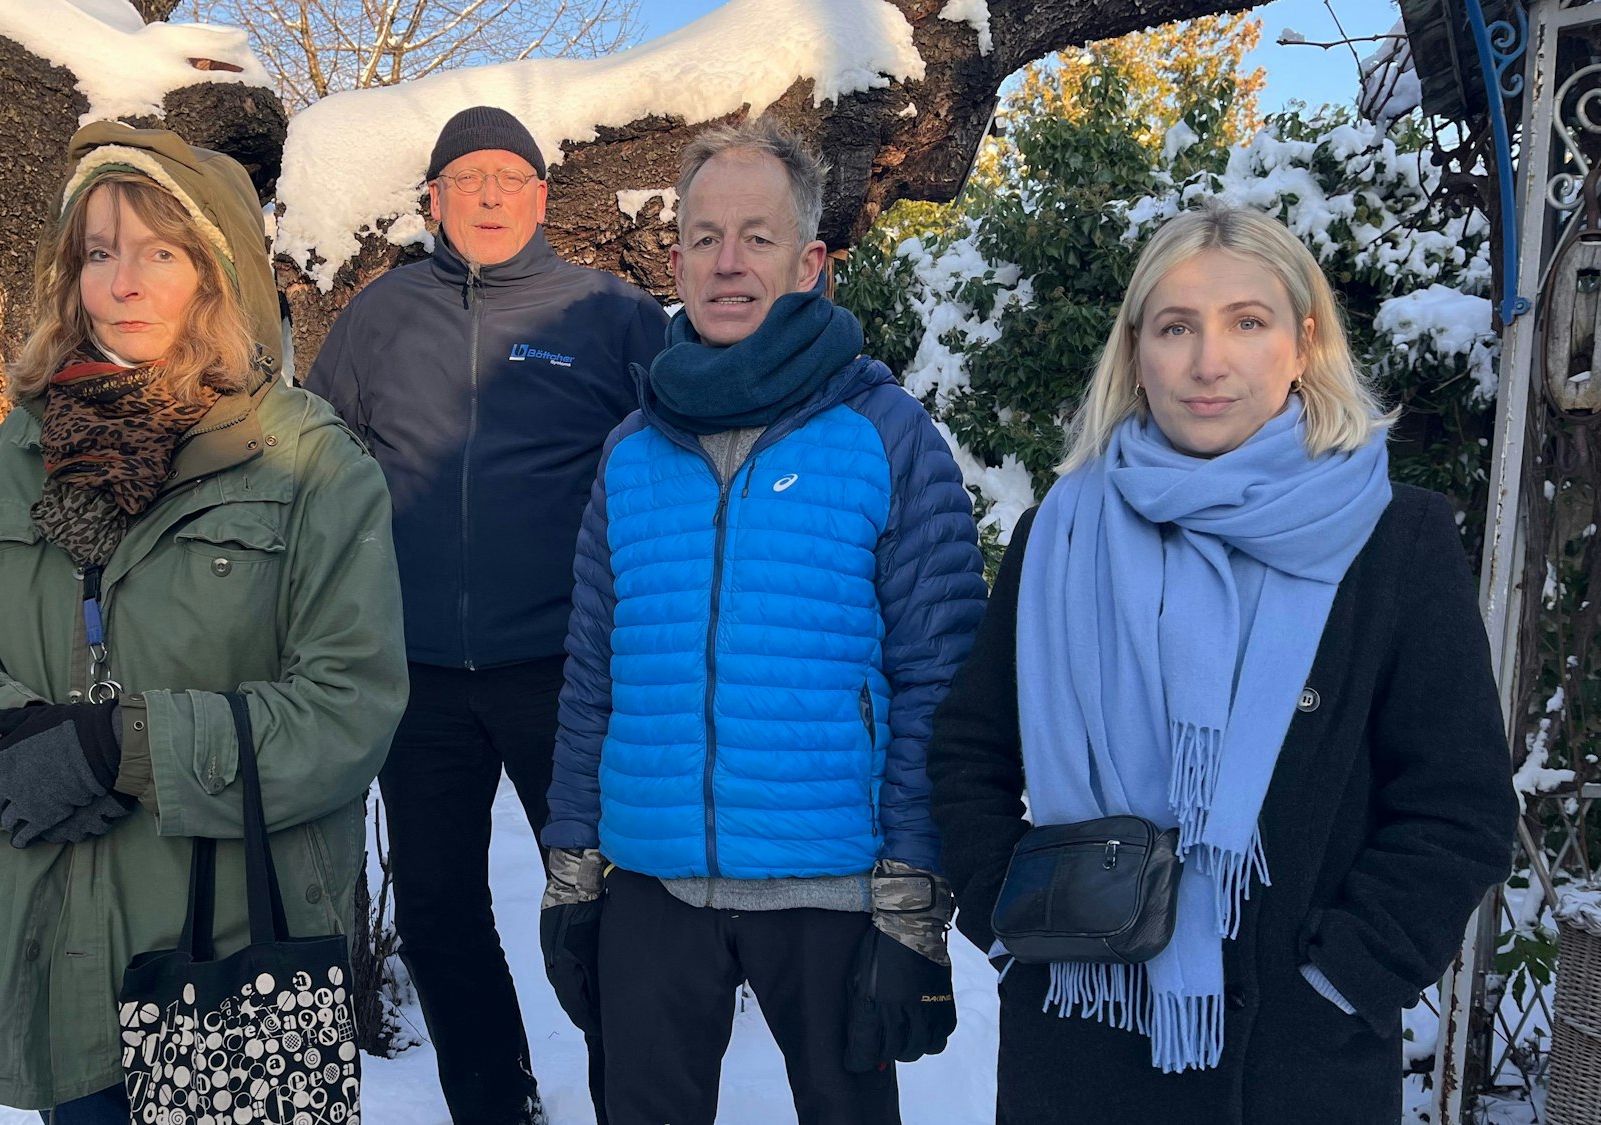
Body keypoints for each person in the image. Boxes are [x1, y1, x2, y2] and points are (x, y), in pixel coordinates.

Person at [928, 202, 1517, 1124]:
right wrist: (1017, 935)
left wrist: (1344, 975)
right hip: (1080, 1043)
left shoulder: (1396, 540)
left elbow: (1460, 802)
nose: (1209, 361)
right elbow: (969, 757)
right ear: (1136, 350)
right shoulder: (1059, 537)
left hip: (1293, 1061)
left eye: (1248, 322)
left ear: (1302, 340)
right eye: (1176, 327)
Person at [0, 122, 406, 1122]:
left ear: (217, 274)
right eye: (99, 251)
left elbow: (350, 706)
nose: (122, 282)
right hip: (53, 949)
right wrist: (1, 749)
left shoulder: (308, 464)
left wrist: (122, 749)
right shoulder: (8, 460)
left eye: (160, 252)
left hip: (226, 957)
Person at [536, 116, 988, 1125]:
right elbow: (591, 678)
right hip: (650, 885)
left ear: (809, 262)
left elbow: (936, 677)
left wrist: (913, 902)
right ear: (675, 258)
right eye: (704, 237)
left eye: (756, 236)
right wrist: (572, 866)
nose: (727, 262)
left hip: (827, 889)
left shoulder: (883, 436)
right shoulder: (628, 454)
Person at [302, 105, 667, 1124]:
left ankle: (625, 1100)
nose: (491, 195)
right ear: (433, 200)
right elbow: (315, 462)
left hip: (564, 672)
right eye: (468, 179)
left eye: (511, 177)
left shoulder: (609, 315)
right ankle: (493, 1104)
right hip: (414, 678)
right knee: (435, 914)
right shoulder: (379, 315)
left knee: (601, 906)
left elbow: (683, 461)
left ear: (544, 199)